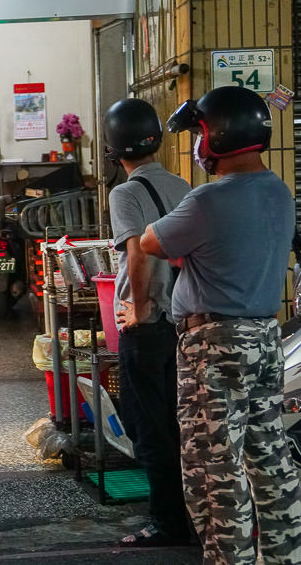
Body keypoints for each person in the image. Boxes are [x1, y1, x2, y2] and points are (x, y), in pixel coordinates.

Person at [141, 86, 301, 563]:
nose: (196, 144)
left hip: (215, 345)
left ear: (219, 136)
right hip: (265, 338)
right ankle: (284, 556)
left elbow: (151, 242)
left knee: (214, 469)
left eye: (199, 133)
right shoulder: (278, 191)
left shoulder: (208, 199)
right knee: (269, 457)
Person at [102, 98, 192, 547]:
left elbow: (137, 253)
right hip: (182, 321)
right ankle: (192, 514)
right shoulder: (183, 186)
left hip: (148, 326)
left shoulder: (125, 193)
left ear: (113, 149)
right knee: (179, 423)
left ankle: (166, 522)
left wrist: (138, 310)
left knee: (148, 427)